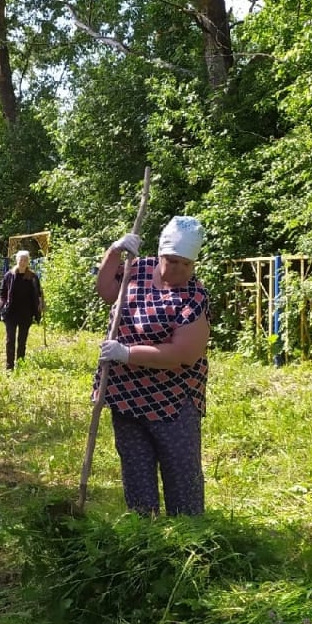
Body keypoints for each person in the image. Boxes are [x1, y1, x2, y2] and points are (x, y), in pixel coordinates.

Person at [94, 216, 210, 516]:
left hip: (171, 400)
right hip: (126, 393)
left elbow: (182, 354)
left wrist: (127, 353)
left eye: (186, 264)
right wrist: (115, 250)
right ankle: (143, 532)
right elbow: (106, 291)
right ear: (160, 256)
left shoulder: (194, 297)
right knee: (135, 466)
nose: (178, 269)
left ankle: (188, 535)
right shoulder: (138, 269)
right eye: (172, 261)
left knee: (181, 470)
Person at [0, 250, 45, 371]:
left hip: (26, 313)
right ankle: (9, 366)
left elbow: (39, 295)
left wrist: (41, 306)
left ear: (28, 262)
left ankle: (21, 365)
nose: (22, 262)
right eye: (21, 259)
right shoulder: (9, 275)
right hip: (11, 312)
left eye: (25, 260)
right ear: (16, 260)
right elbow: (2, 294)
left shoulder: (32, 277)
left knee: (22, 341)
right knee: (10, 339)